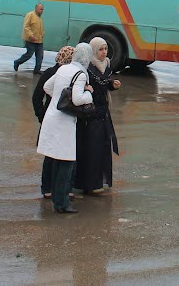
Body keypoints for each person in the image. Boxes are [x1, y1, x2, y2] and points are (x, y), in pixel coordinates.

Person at [37, 42, 94, 213]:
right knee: (67, 163)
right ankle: (62, 203)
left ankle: (57, 200)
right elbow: (77, 99)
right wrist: (89, 93)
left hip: (51, 117)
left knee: (56, 161)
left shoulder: (63, 68)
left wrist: (58, 98)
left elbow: (46, 87)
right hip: (64, 122)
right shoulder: (81, 74)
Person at [74, 36, 122, 195]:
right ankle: (89, 184)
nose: (103, 52)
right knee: (91, 149)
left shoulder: (106, 65)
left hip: (103, 113)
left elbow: (104, 83)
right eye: (100, 49)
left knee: (102, 147)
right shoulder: (88, 68)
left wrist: (112, 85)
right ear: (93, 50)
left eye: (105, 49)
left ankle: (99, 181)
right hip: (91, 115)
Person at [33, 46, 78, 199]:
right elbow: (37, 97)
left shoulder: (63, 73)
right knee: (57, 155)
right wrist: (41, 116)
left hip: (55, 119)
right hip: (54, 119)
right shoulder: (53, 74)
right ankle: (53, 188)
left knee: (53, 154)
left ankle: (53, 188)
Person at [14, 3, 46, 73]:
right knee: (29, 55)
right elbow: (26, 26)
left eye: (42, 9)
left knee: (40, 56)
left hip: (39, 40)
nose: (42, 11)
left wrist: (42, 34)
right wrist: (31, 35)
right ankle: (17, 62)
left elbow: (40, 28)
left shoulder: (40, 18)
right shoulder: (30, 15)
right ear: (36, 8)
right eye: (40, 9)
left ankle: (37, 70)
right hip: (30, 40)